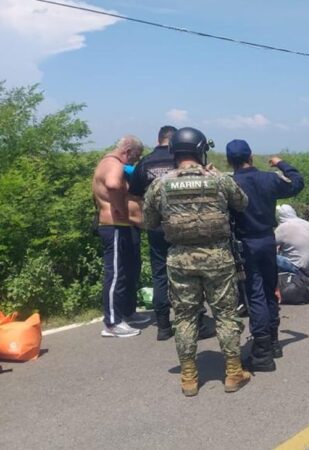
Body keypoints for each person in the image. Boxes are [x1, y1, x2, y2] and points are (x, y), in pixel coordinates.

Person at [142, 127, 251, 396]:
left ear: (173, 152)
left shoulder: (160, 184)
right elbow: (242, 203)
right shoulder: (218, 179)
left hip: (180, 260)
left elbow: (150, 222)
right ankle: (233, 373)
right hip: (218, 258)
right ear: (201, 151)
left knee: (185, 317)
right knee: (225, 314)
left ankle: (189, 379)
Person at [129, 125, 215, 341]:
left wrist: (148, 219)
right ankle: (197, 321)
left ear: (158, 139)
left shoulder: (145, 163)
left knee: (160, 274)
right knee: (190, 272)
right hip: (185, 226)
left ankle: (163, 326)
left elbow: (136, 196)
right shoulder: (182, 159)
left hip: (156, 227)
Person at [226, 139, 304, 370]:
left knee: (255, 293)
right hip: (268, 240)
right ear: (250, 157)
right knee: (270, 290)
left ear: (230, 162)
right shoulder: (269, 179)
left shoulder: (231, 184)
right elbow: (297, 183)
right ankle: (274, 341)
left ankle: (261, 353)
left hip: (245, 243)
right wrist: (282, 164)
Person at [92, 135, 149, 338]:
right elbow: (113, 185)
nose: (135, 160)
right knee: (115, 274)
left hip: (123, 226)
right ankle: (112, 323)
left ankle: (126, 313)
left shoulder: (113, 163)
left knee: (128, 272)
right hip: (113, 225)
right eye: (136, 156)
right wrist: (121, 210)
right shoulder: (113, 163)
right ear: (127, 150)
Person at [275, 204, 309, 276]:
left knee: (267, 255)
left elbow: (268, 244)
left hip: (295, 268)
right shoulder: (308, 224)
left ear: (280, 216)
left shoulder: (282, 227)